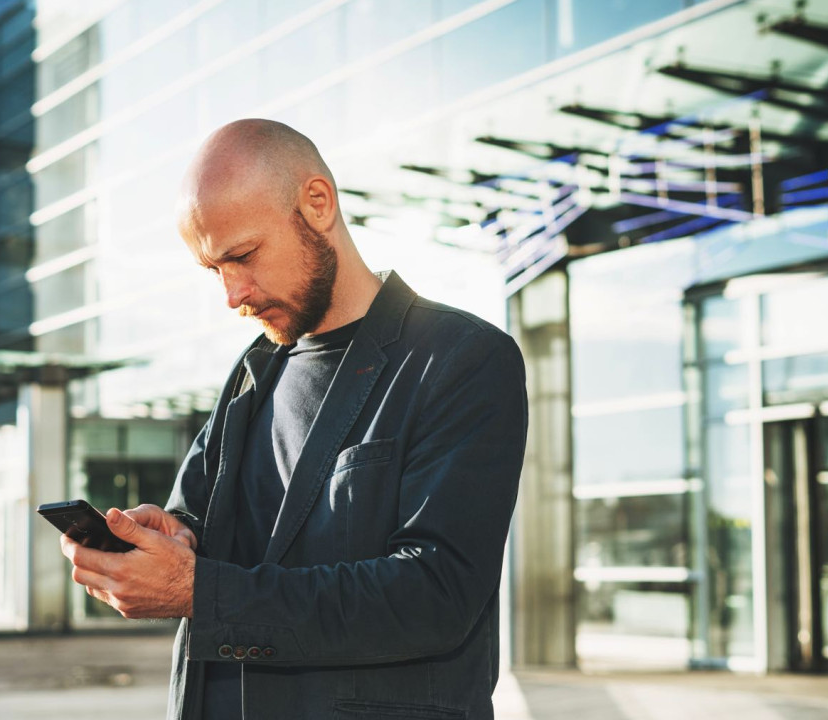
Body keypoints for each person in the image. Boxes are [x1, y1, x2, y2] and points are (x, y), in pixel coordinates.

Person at [59, 119, 528, 720]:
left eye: (244, 256)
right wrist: (173, 535)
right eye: (214, 270)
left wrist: (198, 590)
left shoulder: (459, 358)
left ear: (317, 203)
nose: (232, 294)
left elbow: (435, 595)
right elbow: (196, 519)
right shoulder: (252, 372)